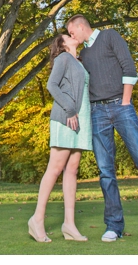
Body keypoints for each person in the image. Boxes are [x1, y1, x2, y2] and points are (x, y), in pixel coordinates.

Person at [66, 13, 138, 243]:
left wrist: (125, 102)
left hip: (122, 108)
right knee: (106, 172)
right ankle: (114, 225)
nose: (71, 36)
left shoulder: (110, 36)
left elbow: (129, 68)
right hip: (97, 112)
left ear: (81, 26)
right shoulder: (83, 54)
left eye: (72, 32)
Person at [28, 33, 92, 243]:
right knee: (55, 169)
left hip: (80, 120)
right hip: (66, 118)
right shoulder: (63, 58)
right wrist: (70, 110)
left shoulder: (78, 61)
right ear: (62, 44)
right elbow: (51, 85)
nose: (72, 35)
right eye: (67, 35)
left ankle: (69, 224)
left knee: (72, 170)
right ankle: (37, 219)